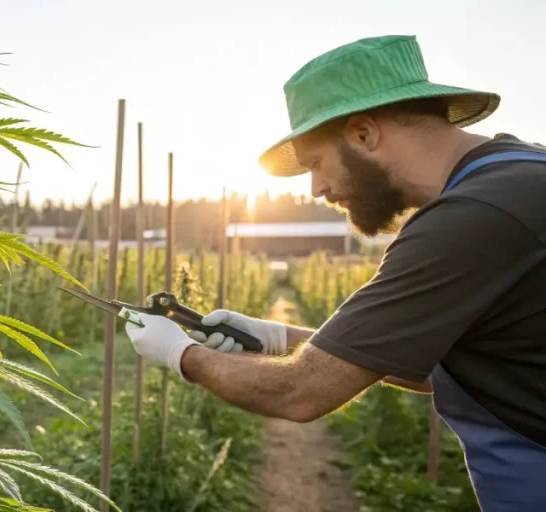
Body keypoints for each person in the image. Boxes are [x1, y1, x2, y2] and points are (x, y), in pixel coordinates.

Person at [124, 34, 546, 510]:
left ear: (364, 134)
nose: (317, 188)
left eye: (316, 164)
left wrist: (181, 355)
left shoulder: (471, 219)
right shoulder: (520, 173)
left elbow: (300, 393)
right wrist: (279, 337)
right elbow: (441, 367)